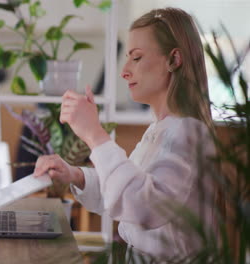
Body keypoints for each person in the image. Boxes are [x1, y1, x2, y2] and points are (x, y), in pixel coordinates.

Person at [34, 7, 217, 260]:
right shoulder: (160, 129)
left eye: (137, 57)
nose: (124, 71)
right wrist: (75, 175)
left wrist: (95, 134)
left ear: (174, 60)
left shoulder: (188, 133)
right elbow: (122, 191)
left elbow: (140, 207)